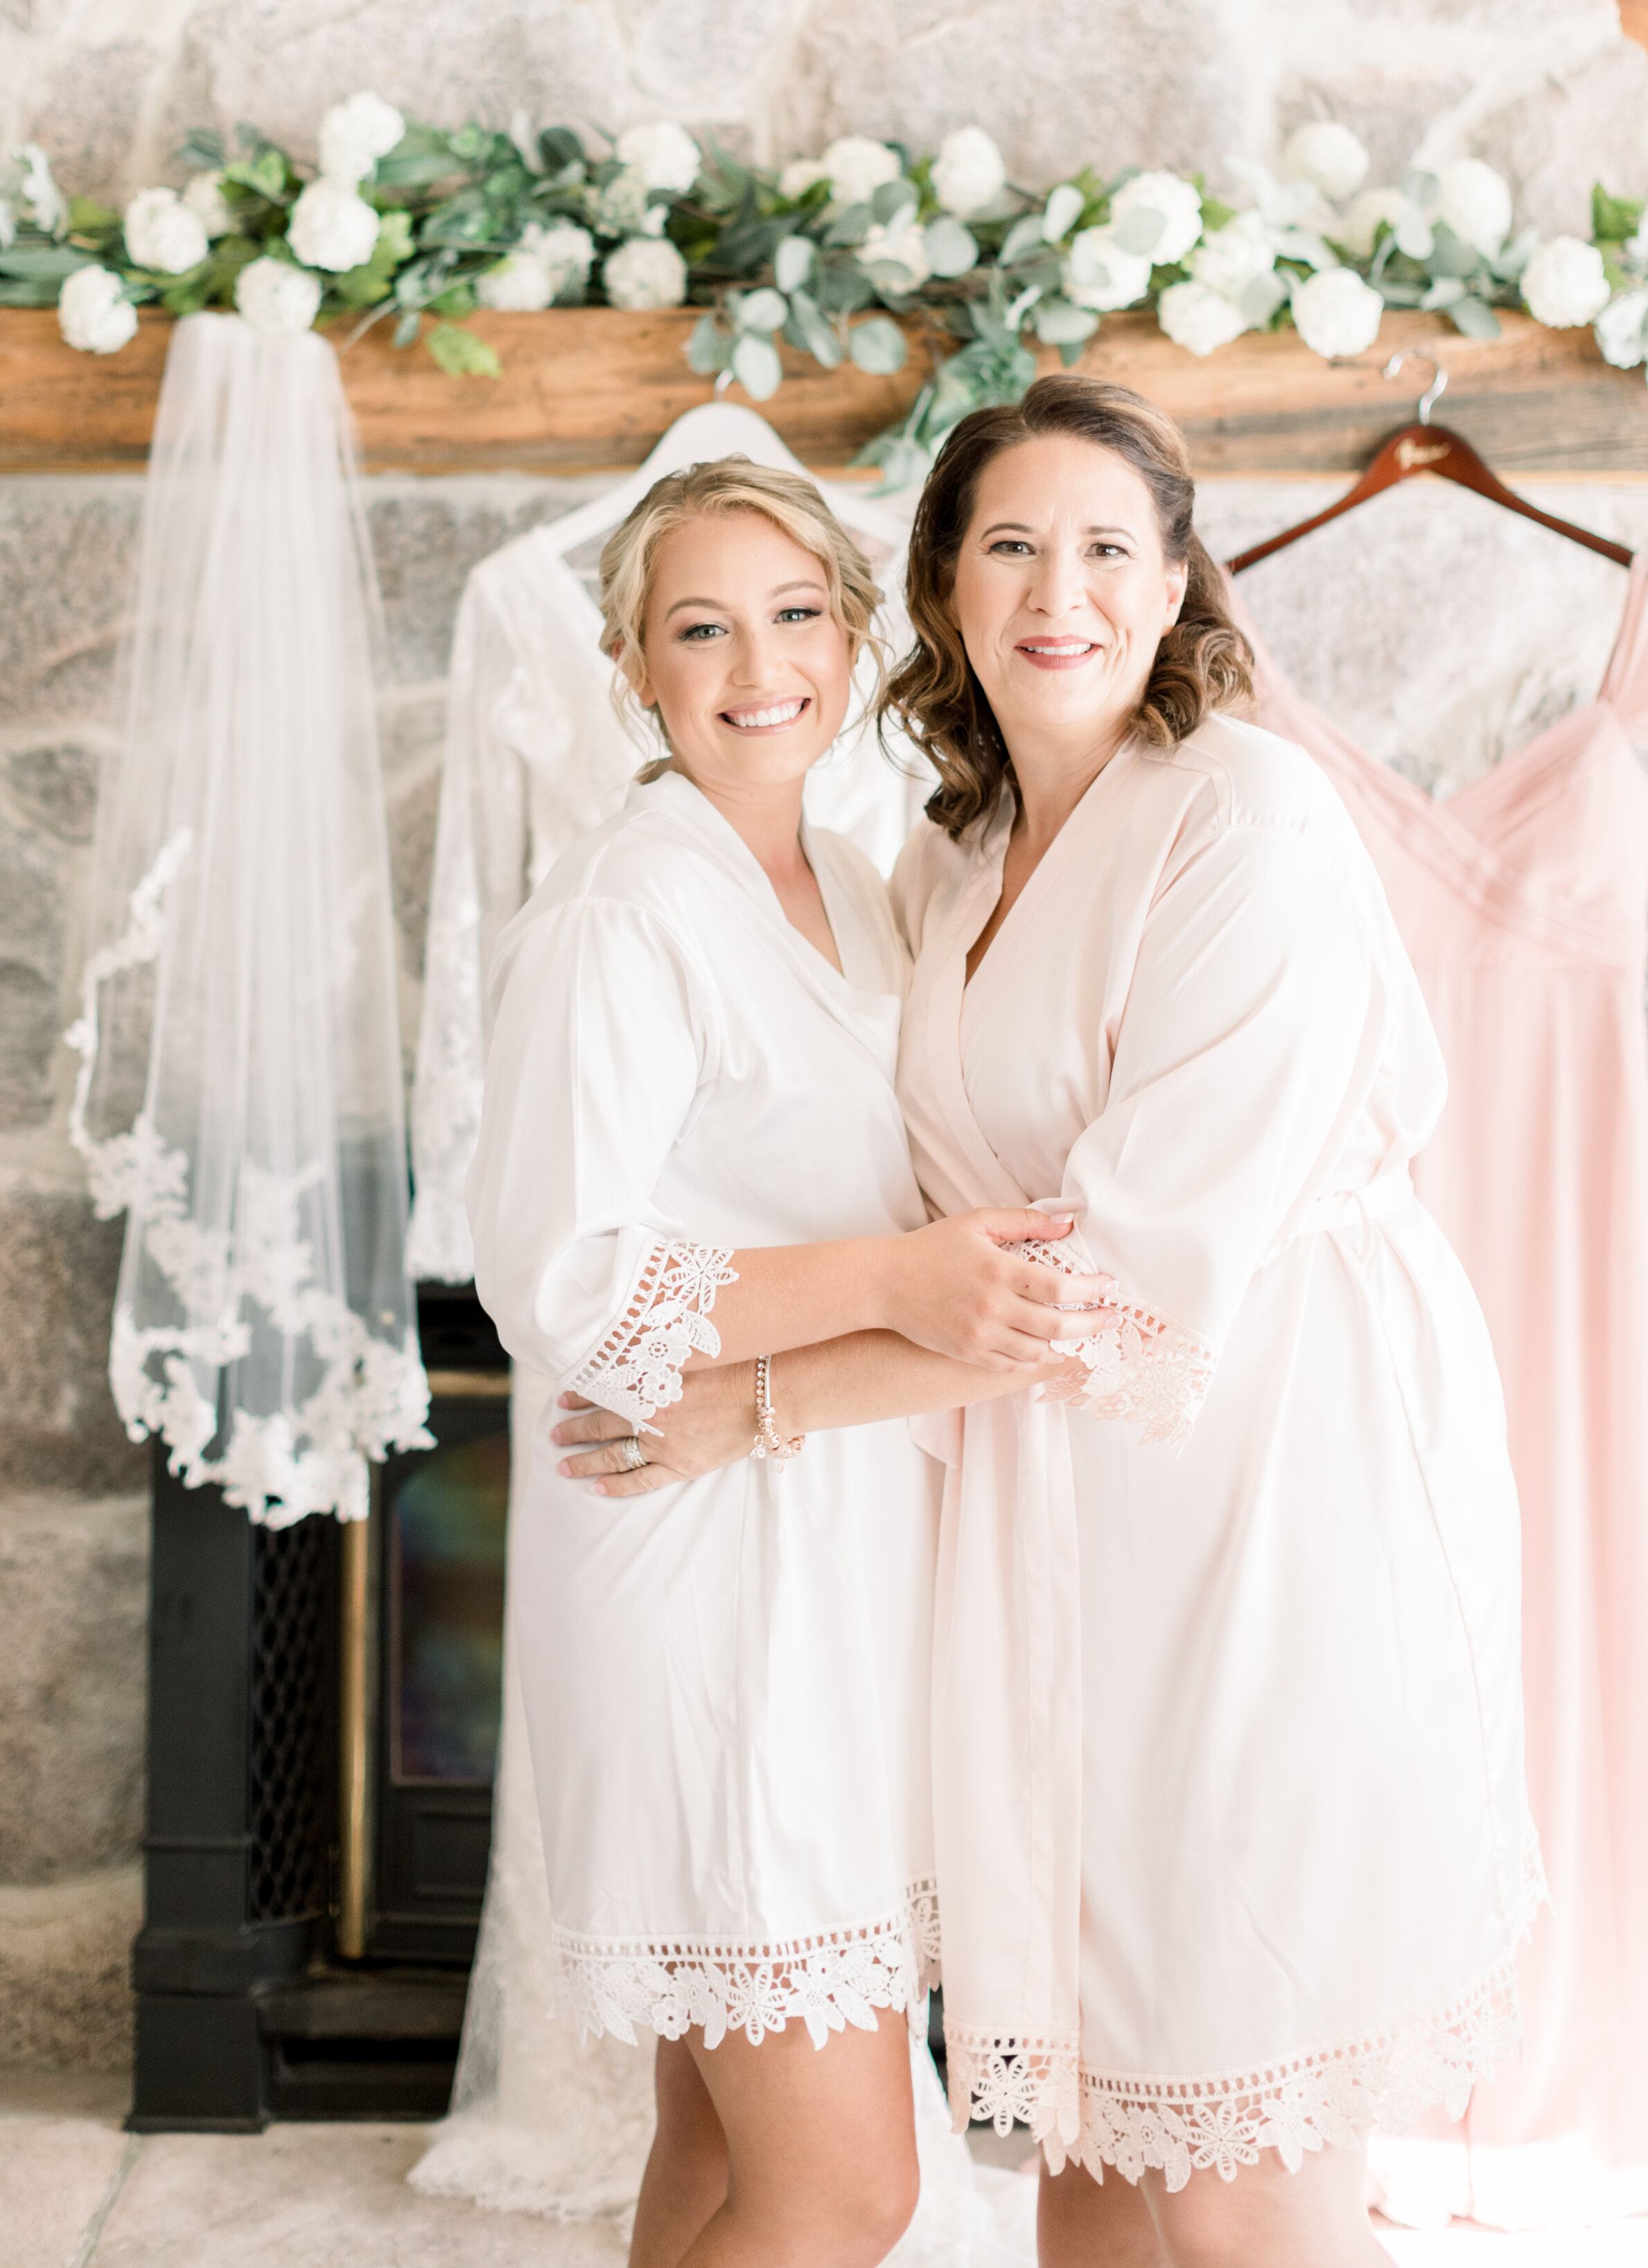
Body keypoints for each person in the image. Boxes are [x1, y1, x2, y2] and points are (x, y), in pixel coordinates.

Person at [559, 380, 1536, 2268]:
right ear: (936, 587)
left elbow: (1117, 1278)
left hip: (1268, 1479)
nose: (1055, 591)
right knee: (1087, 2121)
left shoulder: (1248, 823)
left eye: (1106, 548)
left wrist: (750, 1407)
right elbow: (927, 1220)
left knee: (1237, 2149)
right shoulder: (951, 845)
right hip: (1054, 1514)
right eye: (1007, 544)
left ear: (1175, 589)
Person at [466, 457, 1116, 2268]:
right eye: (699, 626)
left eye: (793, 613)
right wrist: (898, 1278)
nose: (756, 662)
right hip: (697, 1561)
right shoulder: (623, 912)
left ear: (851, 631)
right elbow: (562, 1278)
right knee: (847, 2186)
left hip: (818, 1541)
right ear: (631, 666)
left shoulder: (848, 879)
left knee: (719, 2147)